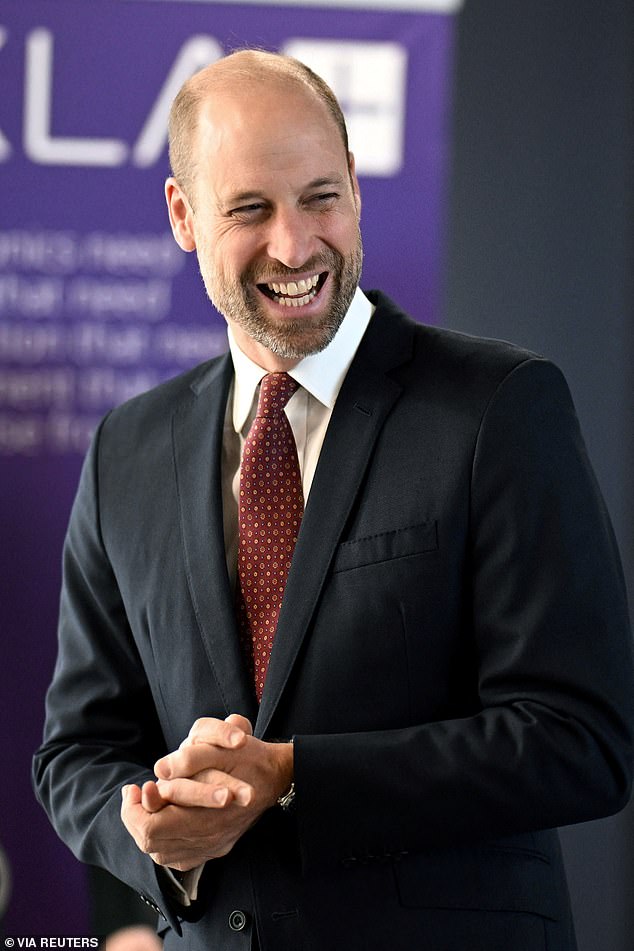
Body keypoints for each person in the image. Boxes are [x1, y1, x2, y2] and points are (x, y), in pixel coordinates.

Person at [33, 50, 634, 951]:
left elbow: (579, 738)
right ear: (183, 215)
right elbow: (76, 751)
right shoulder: (127, 449)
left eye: (319, 197)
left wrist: (291, 775)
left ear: (354, 182)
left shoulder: (499, 408)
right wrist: (151, 832)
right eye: (249, 209)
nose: (294, 245)